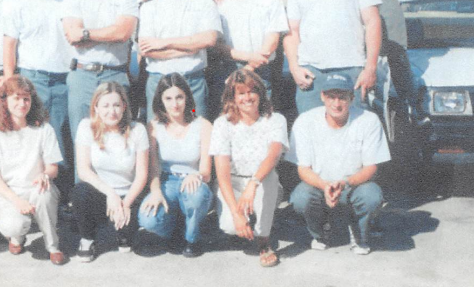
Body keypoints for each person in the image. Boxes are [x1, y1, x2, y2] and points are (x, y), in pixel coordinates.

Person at [286, 73, 391, 255]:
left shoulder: (368, 120)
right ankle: (319, 232)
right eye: (331, 97)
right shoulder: (305, 121)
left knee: (372, 196)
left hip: (354, 185)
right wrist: (324, 185)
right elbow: (302, 168)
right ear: (322, 97)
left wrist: (345, 183)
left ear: (352, 97)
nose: (336, 103)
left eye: (342, 97)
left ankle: (359, 232)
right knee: (300, 198)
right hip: (319, 185)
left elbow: (371, 167)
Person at [0, 76, 67, 265]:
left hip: (37, 188)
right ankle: (17, 237)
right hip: (10, 192)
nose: (22, 103)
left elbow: (53, 168)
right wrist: (16, 200)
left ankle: (53, 246)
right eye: (16, 98)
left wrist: (45, 175)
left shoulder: (44, 129)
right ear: (4, 101)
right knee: (13, 226)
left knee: (45, 194)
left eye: (26, 98)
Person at [3, 0, 73, 196]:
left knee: (64, 137)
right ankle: (31, 192)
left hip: (65, 79)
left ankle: (64, 196)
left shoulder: (69, 0)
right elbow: (9, 45)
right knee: (33, 137)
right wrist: (11, 84)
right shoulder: (19, 3)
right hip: (32, 80)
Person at [210, 69, 288, 268]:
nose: (247, 97)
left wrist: (253, 184)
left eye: (252, 91)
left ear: (261, 93)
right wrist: (236, 214)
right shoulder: (222, 123)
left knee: (269, 177)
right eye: (241, 93)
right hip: (233, 182)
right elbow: (222, 173)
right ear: (233, 97)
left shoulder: (275, 119)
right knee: (229, 225)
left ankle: (264, 241)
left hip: (261, 181)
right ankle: (247, 220)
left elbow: (274, 154)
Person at [62, 0, 138, 139]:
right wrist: (108, 35)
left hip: (115, 73)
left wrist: (86, 34)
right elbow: (73, 36)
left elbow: (122, 33)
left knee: (117, 136)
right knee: (82, 138)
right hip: (82, 75)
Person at [138, 0, 220, 121]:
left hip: (192, 86)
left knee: (196, 127)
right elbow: (147, 49)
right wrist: (190, 48)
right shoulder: (149, 7)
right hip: (159, 85)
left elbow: (209, 39)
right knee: (157, 133)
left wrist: (163, 43)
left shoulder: (203, 4)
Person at [72, 82, 149, 261]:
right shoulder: (86, 127)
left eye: (116, 105)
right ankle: (87, 239)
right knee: (80, 193)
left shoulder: (138, 130)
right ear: (96, 108)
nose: (111, 111)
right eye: (105, 105)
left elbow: (142, 175)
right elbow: (83, 170)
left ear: (124, 106)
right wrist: (111, 194)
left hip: (130, 194)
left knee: (131, 233)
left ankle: (123, 233)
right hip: (103, 194)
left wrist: (126, 203)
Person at [139, 73, 213, 258]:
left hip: (194, 179)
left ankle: (191, 238)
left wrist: (195, 175)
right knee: (148, 219)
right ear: (160, 101)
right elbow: (154, 168)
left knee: (196, 197)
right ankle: (173, 230)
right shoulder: (153, 126)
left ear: (187, 97)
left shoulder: (202, 124)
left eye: (179, 97)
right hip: (166, 180)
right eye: (168, 98)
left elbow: (206, 171)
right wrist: (155, 191)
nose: (175, 104)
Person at [218, 0, 288, 98]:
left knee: (263, 117)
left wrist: (248, 68)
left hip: (262, 70)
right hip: (231, 67)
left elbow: (272, 41)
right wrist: (246, 60)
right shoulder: (223, 3)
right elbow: (220, 45)